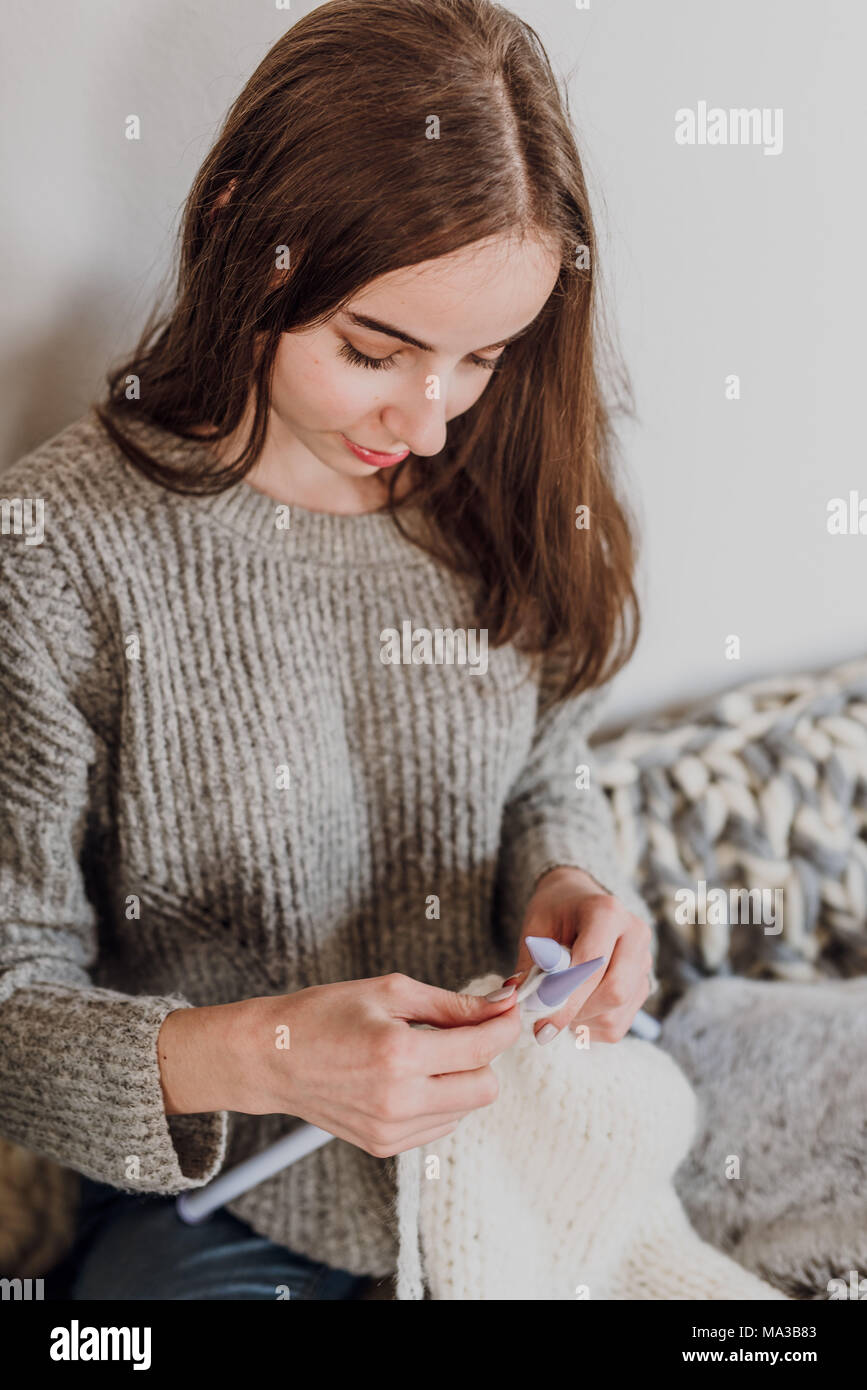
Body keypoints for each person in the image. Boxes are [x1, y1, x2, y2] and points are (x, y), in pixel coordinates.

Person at [0, 0, 653, 1301]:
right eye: (374, 350)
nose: (427, 420)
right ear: (244, 228)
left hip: (512, 1140)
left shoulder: (497, 480)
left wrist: (569, 877)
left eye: (482, 357)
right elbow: (13, 999)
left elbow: (546, 759)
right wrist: (273, 1050)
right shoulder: (61, 550)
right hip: (236, 1207)